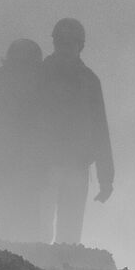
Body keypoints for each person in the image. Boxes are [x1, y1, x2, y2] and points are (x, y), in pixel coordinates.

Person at [38, 17, 113, 246]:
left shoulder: (88, 81)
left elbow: (100, 129)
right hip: (44, 164)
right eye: (62, 42)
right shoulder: (39, 75)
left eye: (70, 42)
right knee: (40, 229)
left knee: (68, 233)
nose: (65, 47)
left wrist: (106, 178)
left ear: (79, 45)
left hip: (74, 166)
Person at [0, 38, 48, 241]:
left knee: (7, 225)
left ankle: (9, 266)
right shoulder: (30, 87)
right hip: (21, 170)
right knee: (27, 226)